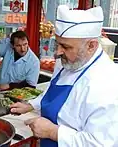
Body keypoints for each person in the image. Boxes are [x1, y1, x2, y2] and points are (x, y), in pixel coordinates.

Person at [10, 5, 118, 147]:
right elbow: (51, 93)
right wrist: (31, 105)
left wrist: (53, 132)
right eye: (58, 44)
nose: (58, 52)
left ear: (91, 46)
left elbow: (100, 143)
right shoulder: (66, 62)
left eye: (66, 47)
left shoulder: (107, 83)